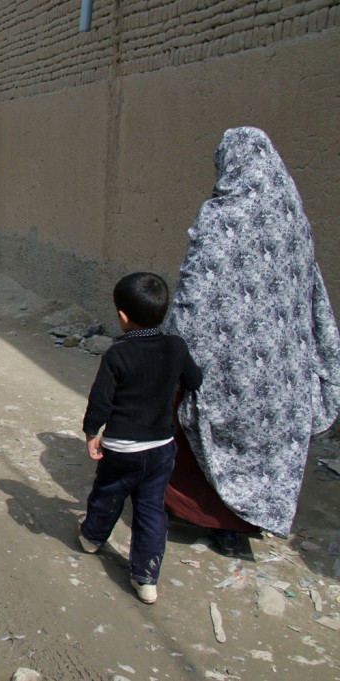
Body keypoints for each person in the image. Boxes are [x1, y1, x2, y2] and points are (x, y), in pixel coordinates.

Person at [164, 127, 340, 552]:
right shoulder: (294, 219)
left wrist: (171, 343)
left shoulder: (221, 215)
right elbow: (309, 291)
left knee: (197, 431)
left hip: (225, 363)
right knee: (258, 445)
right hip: (282, 366)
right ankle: (246, 521)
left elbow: (196, 291)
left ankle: (213, 521)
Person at [77, 273, 203, 605]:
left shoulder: (117, 354)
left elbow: (101, 400)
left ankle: (92, 537)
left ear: (122, 317)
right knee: (151, 510)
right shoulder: (176, 347)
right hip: (161, 447)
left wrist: (92, 434)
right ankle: (146, 578)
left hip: (121, 448)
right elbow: (195, 380)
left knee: (107, 494)